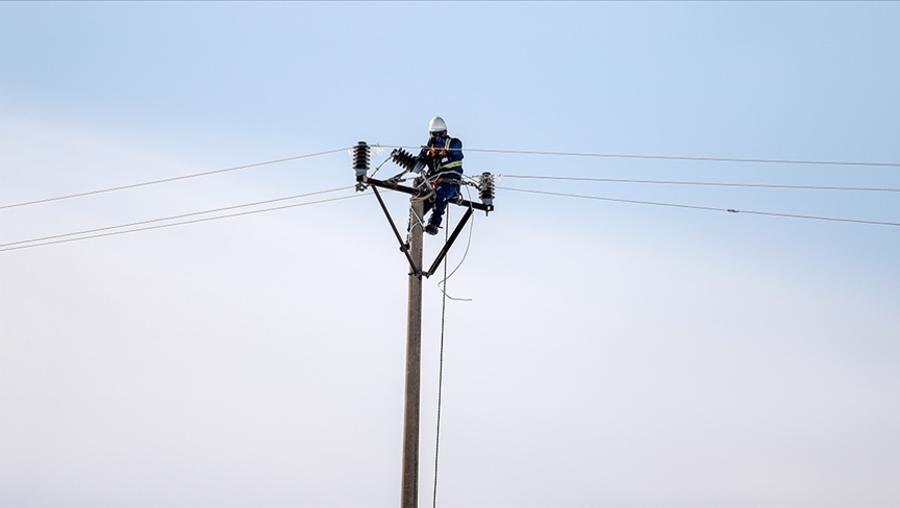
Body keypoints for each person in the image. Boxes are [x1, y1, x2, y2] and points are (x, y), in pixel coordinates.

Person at [415, 116, 463, 235]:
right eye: (434, 135)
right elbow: (418, 164)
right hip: (433, 185)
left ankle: (434, 223)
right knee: (419, 204)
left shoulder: (452, 143)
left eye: (439, 134)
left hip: (450, 184)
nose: (436, 137)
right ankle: (411, 233)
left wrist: (441, 145)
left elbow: (456, 148)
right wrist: (413, 162)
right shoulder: (428, 149)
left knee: (440, 194)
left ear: (445, 133)